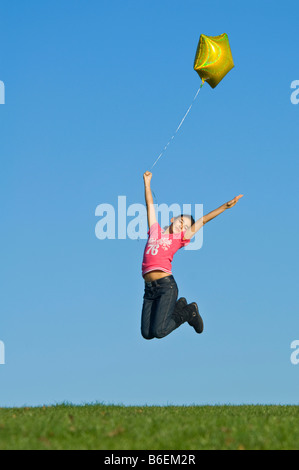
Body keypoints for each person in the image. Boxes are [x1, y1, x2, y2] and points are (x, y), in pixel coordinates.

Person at [141, 171, 243, 340]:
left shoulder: (180, 238)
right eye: (181, 221)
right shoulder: (154, 231)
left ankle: (189, 312)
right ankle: (179, 305)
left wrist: (225, 206)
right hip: (149, 290)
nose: (182, 226)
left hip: (166, 287)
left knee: (159, 332)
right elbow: (150, 205)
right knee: (147, 334)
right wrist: (147, 183)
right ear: (173, 218)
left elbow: (202, 220)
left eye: (185, 227)